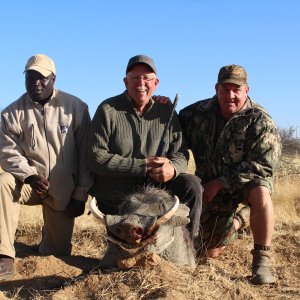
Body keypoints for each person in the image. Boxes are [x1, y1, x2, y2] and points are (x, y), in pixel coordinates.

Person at [179, 64, 281, 285]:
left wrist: (221, 182)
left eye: (236, 89)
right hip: (211, 193)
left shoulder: (260, 120)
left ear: (247, 90)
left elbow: (263, 166)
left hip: (244, 186)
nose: (230, 95)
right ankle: (240, 221)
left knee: (261, 191)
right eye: (225, 89)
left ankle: (261, 261)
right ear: (216, 89)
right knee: (209, 252)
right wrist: (160, 105)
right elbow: (171, 130)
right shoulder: (195, 114)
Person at [0, 54, 93, 281]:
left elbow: (85, 155)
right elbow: (6, 152)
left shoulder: (76, 107)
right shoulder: (11, 113)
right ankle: (4, 255)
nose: (36, 83)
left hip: (63, 189)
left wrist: (80, 195)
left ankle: (47, 239)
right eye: (30, 77)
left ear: (53, 79)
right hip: (28, 185)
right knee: (2, 182)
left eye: (42, 78)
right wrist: (29, 175)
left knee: (58, 254)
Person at [88, 54, 203, 237]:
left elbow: (181, 153)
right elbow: (96, 157)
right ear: (125, 82)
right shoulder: (107, 109)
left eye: (147, 78)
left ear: (155, 83)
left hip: (156, 189)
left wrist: (172, 168)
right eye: (135, 78)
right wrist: (144, 166)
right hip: (118, 193)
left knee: (192, 184)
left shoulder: (167, 110)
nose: (141, 83)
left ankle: (189, 246)